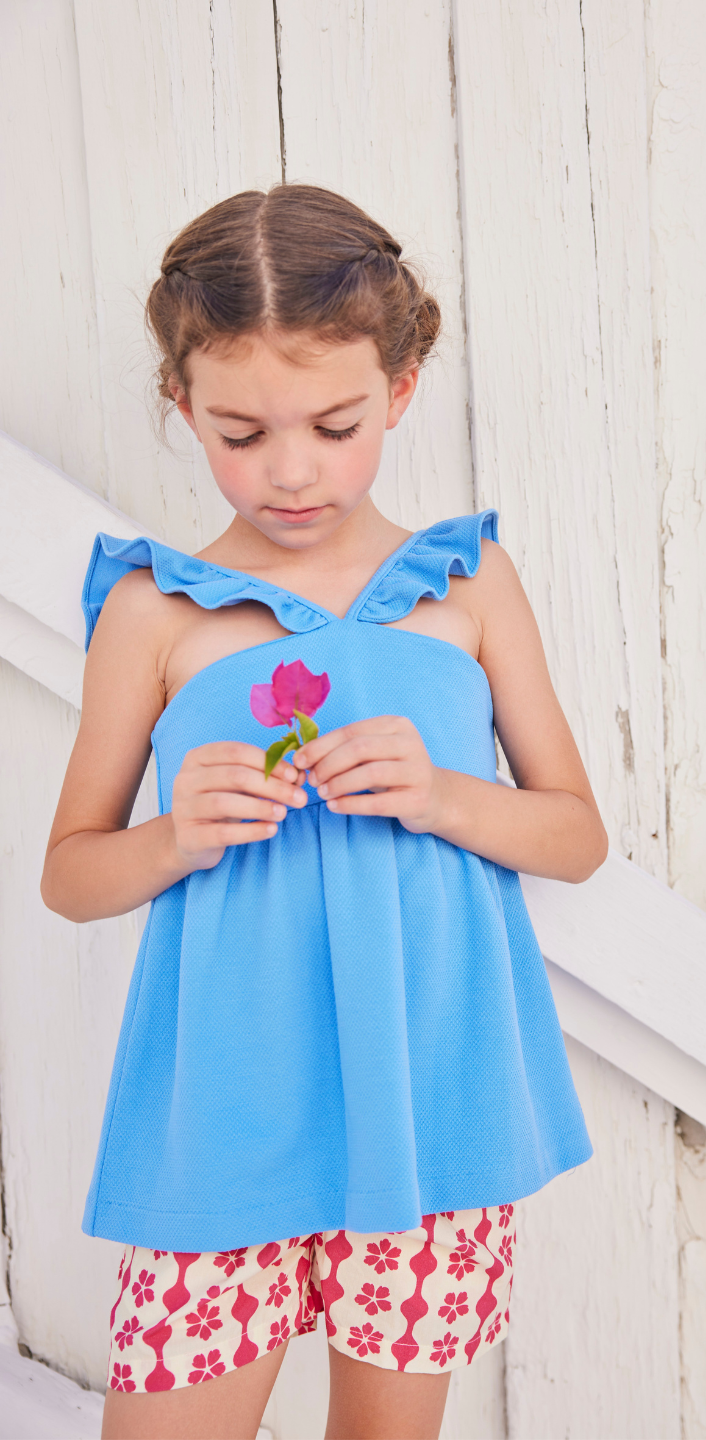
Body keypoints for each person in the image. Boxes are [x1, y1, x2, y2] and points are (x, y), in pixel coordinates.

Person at [41, 184, 605, 1440]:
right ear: (180, 404)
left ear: (399, 390)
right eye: (239, 432)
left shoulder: (466, 585)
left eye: (336, 425)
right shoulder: (158, 613)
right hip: (226, 1118)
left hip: (430, 1111)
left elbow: (575, 834)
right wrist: (174, 836)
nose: (291, 472)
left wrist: (448, 796)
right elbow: (68, 873)